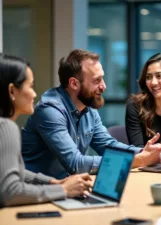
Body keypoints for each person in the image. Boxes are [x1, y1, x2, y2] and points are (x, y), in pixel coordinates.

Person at [21, 49, 161, 179]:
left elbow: (109, 146)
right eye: (97, 80)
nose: (104, 86)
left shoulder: (88, 109)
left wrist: (146, 152)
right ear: (74, 83)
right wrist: (138, 160)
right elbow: (76, 163)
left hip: (67, 187)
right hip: (36, 192)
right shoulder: (50, 111)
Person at [0, 54, 92, 207]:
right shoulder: (6, 127)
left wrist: (52, 182)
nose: (35, 94)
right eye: (30, 86)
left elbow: (11, 172)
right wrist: (62, 189)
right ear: (11, 91)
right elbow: (10, 191)